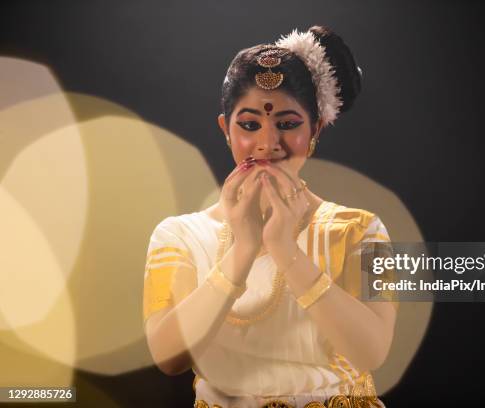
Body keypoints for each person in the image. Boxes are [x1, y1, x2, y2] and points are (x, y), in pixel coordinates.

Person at [143, 25, 399, 408]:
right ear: (225, 130)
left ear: (315, 129)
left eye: (288, 124)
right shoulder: (179, 235)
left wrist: (285, 250)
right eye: (249, 125)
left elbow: (373, 352)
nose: (267, 143)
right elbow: (168, 357)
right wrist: (244, 248)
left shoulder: (362, 230)